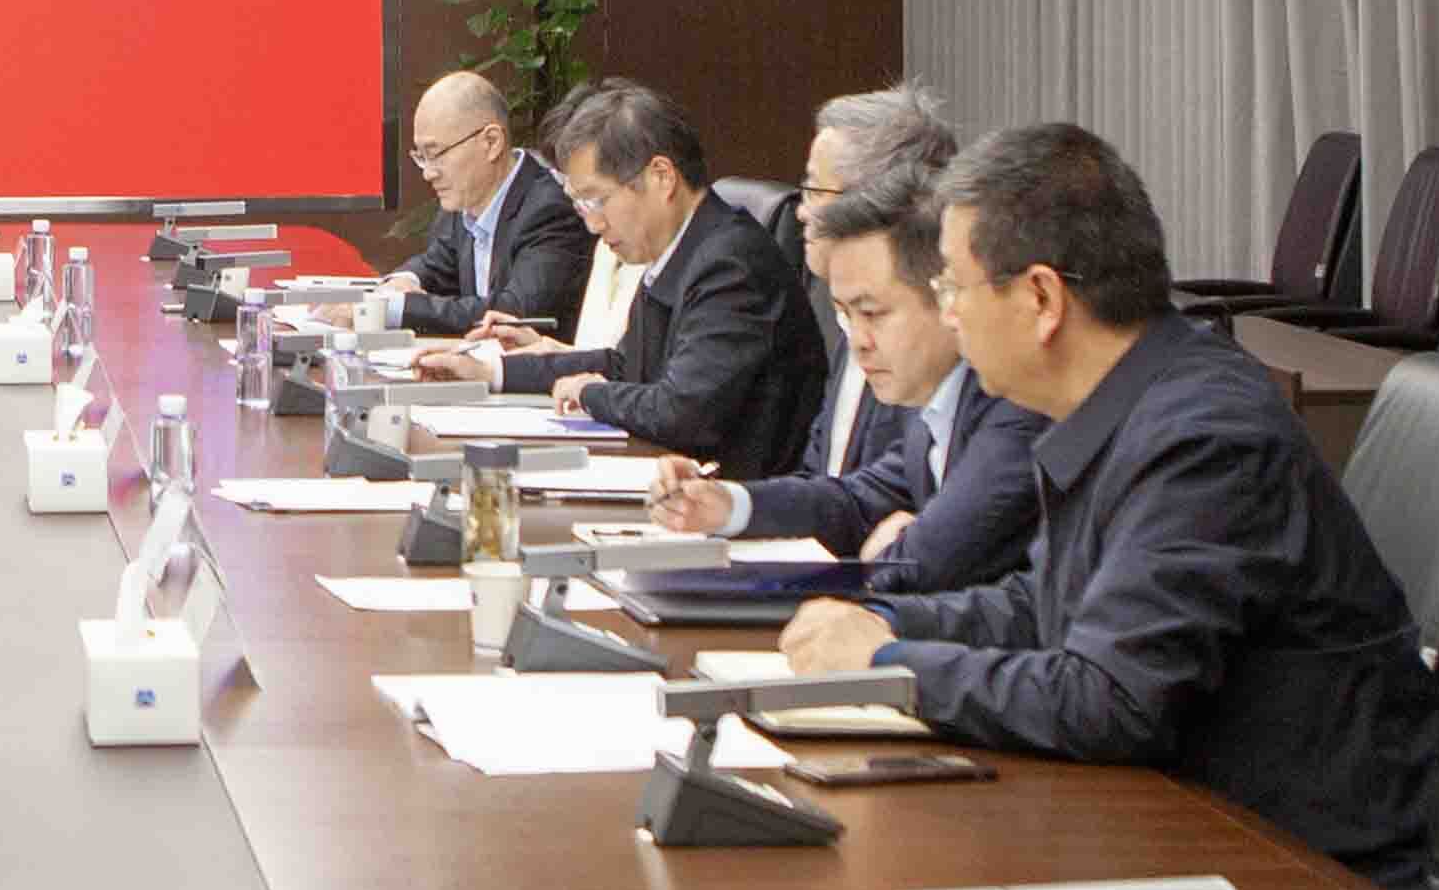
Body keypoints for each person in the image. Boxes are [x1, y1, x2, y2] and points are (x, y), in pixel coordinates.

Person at [777, 123, 1439, 890]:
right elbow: (1046, 604)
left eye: (954, 288)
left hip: (1305, 882)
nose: (948, 316)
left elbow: (1112, 700)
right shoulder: (1124, 401)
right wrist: (889, 623)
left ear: (1041, 298)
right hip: (1186, 832)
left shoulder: (1202, 437)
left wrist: (887, 664)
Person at [411, 78, 829, 479]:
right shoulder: (680, 250)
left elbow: (682, 411)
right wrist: (492, 372)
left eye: (598, 200)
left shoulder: (730, 265)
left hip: (734, 502)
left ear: (661, 176)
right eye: (581, 205)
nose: (592, 224)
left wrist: (590, 393)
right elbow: (624, 365)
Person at [651, 169, 1037, 595]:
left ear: (945, 297)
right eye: (845, 316)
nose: (858, 343)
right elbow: (859, 500)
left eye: (872, 314)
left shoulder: (1016, 402)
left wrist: (884, 558)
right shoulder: (935, 398)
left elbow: (930, 559)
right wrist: (728, 504)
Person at [795, 83, 964, 479]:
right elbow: (821, 479)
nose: (801, 211)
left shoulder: (938, 356)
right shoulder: (843, 312)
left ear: (874, 200)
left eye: (814, 190)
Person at [388, 69, 591, 339]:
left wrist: (398, 308)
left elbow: (514, 314)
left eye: (436, 154)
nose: (428, 173)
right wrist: (403, 282)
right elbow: (434, 266)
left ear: (491, 142)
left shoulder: (550, 209)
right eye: (421, 157)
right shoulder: (463, 201)